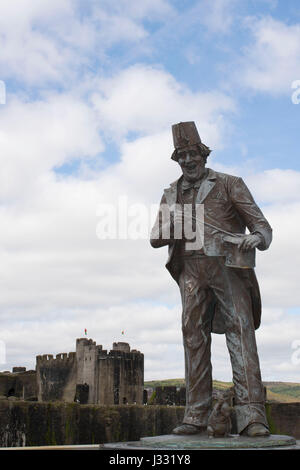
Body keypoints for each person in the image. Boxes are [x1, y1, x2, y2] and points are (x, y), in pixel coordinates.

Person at [150, 121, 272, 437]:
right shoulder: (170, 193)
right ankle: (195, 416)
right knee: (193, 337)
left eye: (192, 154)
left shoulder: (230, 183)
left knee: (241, 333)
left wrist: (255, 238)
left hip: (227, 268)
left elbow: (263, 228)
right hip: (190, 271)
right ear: (176, 159)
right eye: (181, 156)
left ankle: (252, 417)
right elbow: (155, 236)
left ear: (203, 154)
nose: (187, 161)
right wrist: (173, 229)